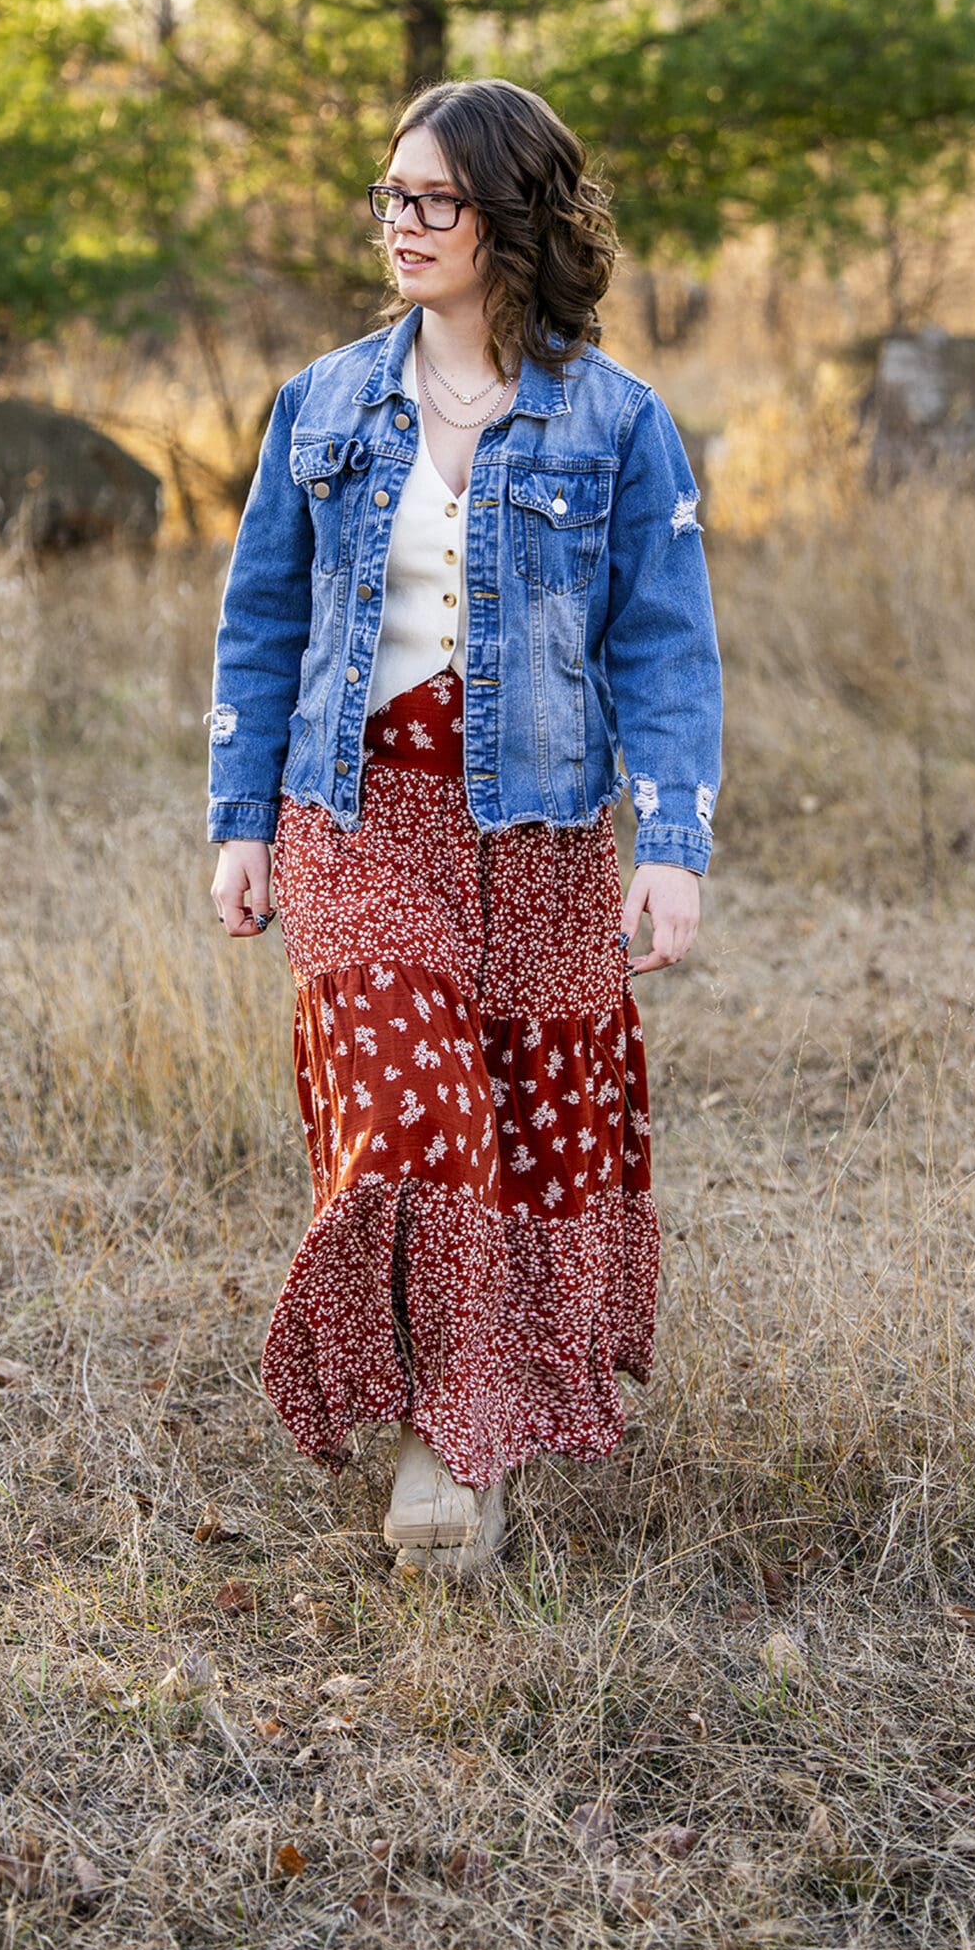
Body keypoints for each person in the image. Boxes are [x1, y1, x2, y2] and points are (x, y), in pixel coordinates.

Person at [206, 77, 722, 1576]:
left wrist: (671, 848)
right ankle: (442, 1439)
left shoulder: (617, 424)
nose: (401, 226)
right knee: (418, 1116)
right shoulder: (321, 403)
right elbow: (262, 622)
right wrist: (242, 823)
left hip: (545, 834)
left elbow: (665, 651)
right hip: (353, 812)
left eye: (431, 200)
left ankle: (467, 1440)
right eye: (389, 196)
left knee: (522, 1135)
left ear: (511, 219)